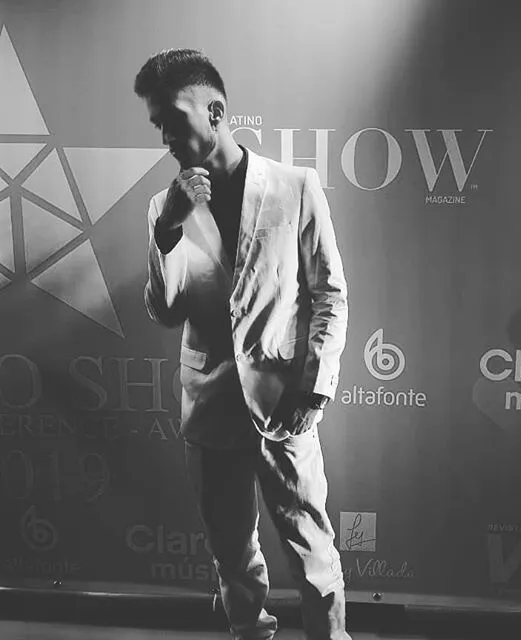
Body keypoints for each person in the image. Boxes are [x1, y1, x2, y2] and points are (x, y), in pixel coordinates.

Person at [134, 49, 350, 640]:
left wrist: (315, 389)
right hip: (209, 405)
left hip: (285, 403)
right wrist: (167, 230)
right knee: (231, 551)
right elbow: (165, 310)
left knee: (312, 547)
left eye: (173, 120)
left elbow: (329, 294)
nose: (166, 138)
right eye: (158, 125)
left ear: (215, 111)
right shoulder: (163, 208)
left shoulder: (295, 186)